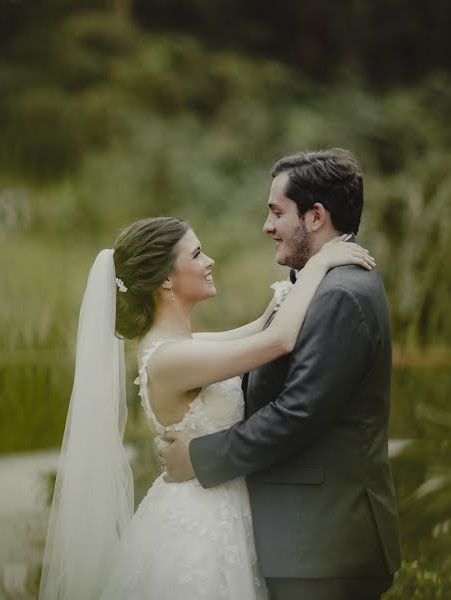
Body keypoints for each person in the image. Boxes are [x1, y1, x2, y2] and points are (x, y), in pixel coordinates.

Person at [40, 205, 375, 597]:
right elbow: (277, 341)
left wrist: (293, 286)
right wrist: (320, 265)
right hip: (197, 526)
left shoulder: (185, 345)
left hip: (225, 508)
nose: (210, 260)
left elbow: (261, 328)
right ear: (166, 279)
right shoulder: (169, 360)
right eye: (197, 254)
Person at [161, 149, 401, 600]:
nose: (267, 226)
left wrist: (199, 456)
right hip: (304, 541)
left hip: (323, 542)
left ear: (315, 216)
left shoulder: (341, 294)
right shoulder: (322, 283)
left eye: (276, 212)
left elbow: (297, 413)